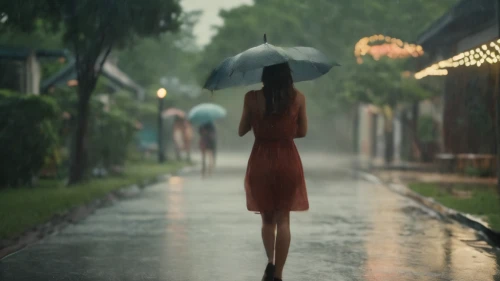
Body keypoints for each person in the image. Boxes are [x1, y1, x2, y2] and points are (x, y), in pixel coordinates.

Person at [238, 62, 309, 281]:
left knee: (267, 219)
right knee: (284, 219)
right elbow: (303, 131)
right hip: (288, 160)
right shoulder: (298, 98)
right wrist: (283, 133)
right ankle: (278, 274)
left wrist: (260, 125)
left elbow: (242, 130)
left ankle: (270, 262)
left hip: (261, 160)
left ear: (264, 75)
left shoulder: (251, 98)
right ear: (288, 75)